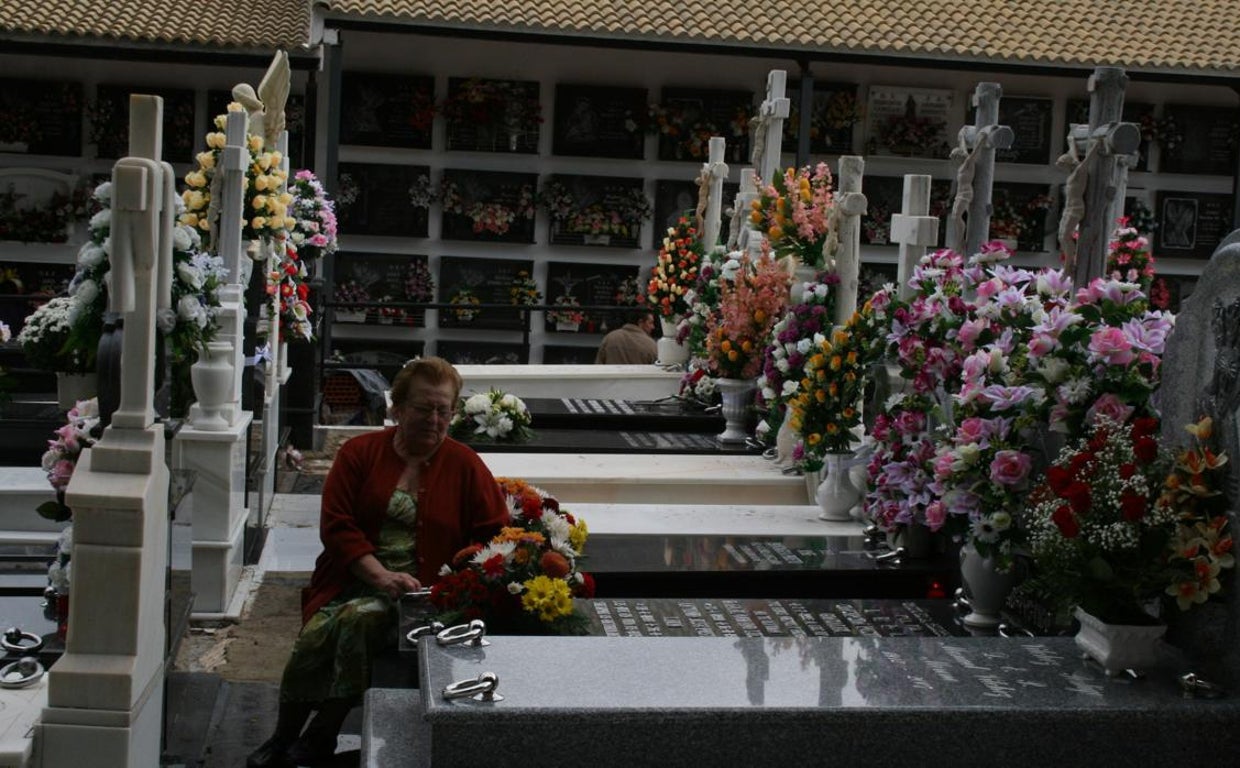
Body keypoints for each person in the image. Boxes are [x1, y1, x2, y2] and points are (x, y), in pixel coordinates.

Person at [247, 357, 509, 767]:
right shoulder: (360, 454)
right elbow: (337, 526)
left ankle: (322, 732)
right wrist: (378, 574)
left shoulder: (465, 465)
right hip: (353, 577)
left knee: (359, 620)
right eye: (423, 408)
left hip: (419, 597)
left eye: (444, 410)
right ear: (398, 408)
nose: (434, 419)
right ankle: (284, 734)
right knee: (317, 632)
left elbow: (494, 534)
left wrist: (456, 578)